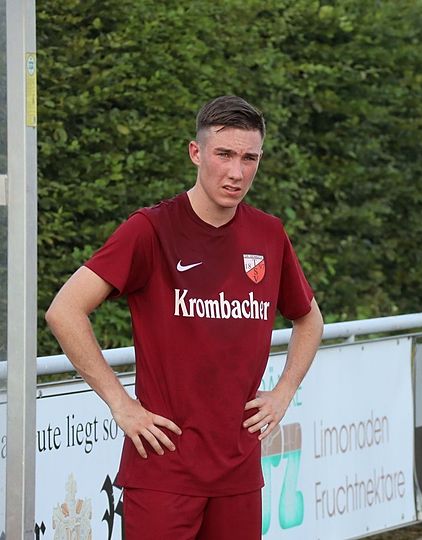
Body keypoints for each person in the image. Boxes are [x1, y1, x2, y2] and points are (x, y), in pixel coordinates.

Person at [45, 96, 324, 539]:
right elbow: (65, 310)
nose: (236, 172)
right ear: (196, 152)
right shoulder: (151, 229)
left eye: (249, 158)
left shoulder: (268, 234)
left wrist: (284, 391)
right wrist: (121, 404)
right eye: (224, 154)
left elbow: (310, 320)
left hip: (238, 472)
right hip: (163, 469)